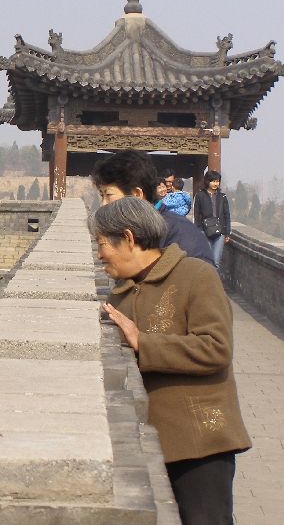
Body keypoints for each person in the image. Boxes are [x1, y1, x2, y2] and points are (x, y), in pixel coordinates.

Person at [92, 197, 250, 525]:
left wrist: (142, 342)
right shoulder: (120, 295)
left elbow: (216, 348)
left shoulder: (195, 275)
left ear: (129, 238)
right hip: (150, 441)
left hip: (201, 440)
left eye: (103, 243)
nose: (99, 254)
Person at [90, 150, 214, 265]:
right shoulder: (132, 230)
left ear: (137, 194)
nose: (103, 204)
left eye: (108, 195)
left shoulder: (179, 235)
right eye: (101, 196)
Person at [194, 170, 231, 269]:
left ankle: (213, 284)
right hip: (205, 231)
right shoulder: (200, 196)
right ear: (207, 181)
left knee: (216, 261)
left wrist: (227, 232)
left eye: (217, 181)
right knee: (206, 260)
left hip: (220, 231)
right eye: (213, 181)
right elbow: (197, 215)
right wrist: (198, 231)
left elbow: (227, 214)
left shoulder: (222, 197)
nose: (215, 184)